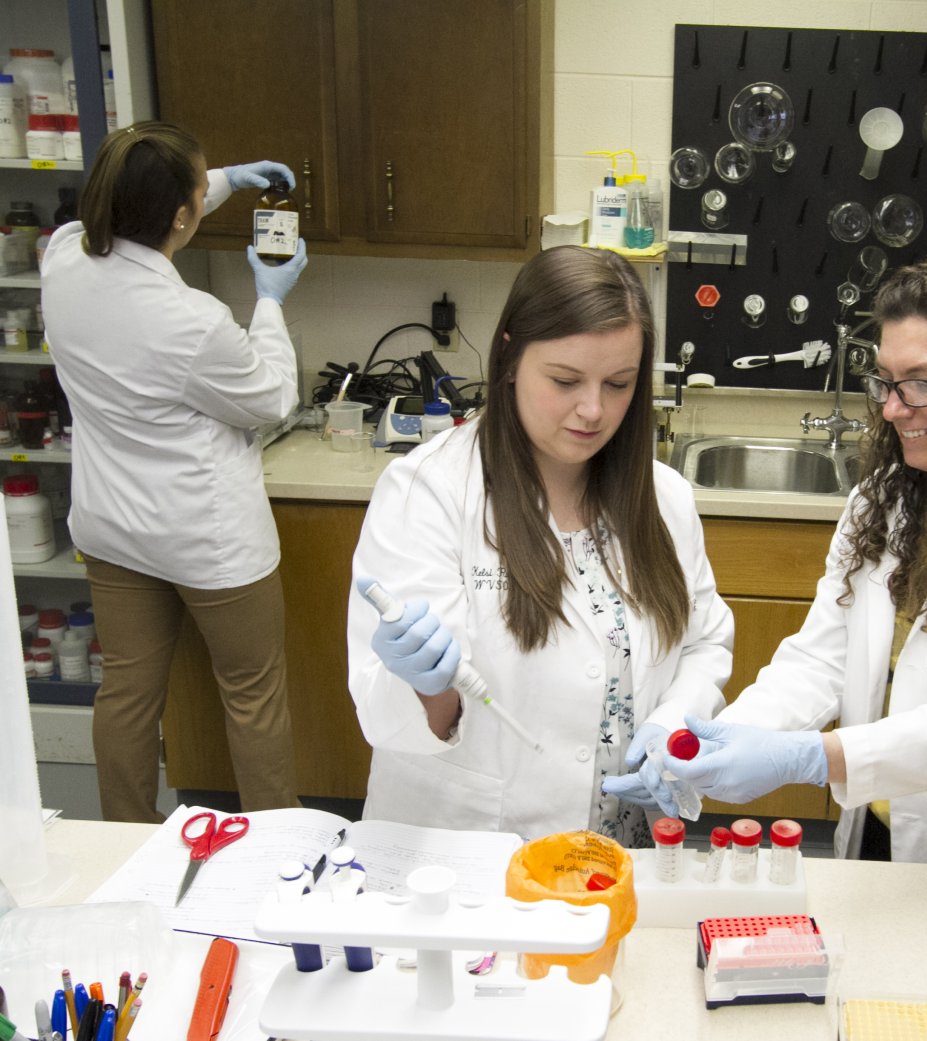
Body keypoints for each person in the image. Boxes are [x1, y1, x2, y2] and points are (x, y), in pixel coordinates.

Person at [608, 247, 927, 866]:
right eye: (885, 380)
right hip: (879, 826)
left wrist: (810, 758)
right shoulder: (881, 502)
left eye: (922, 383)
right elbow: (820, 660)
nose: (891, 407)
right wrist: (716, 742)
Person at [347, 245, 733, 845]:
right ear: (509, 357)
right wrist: (428, 686)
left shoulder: (663, 498)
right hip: (467, 860)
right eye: (565, 380)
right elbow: (392, 719)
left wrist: (672, 723)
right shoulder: (430, 492)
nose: (593, 410)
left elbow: (704, 642)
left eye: (619, 383)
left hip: (618, 853)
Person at [41, 121, 309, 822]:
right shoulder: (193, 321)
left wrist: (225, 177)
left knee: (126, 692)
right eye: (201, 187)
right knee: (252, 693)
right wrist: (272, 300)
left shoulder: (62, 258)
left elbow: (142, 215)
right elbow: (271, 396)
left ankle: (124, 841)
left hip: (113, 529)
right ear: (182, 215)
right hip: (207, 538)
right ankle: (275, 847)